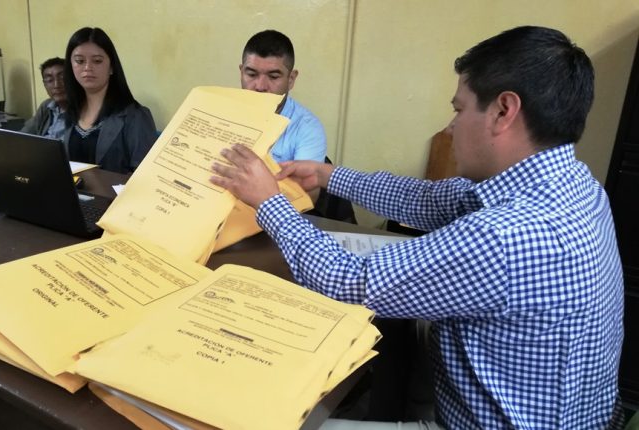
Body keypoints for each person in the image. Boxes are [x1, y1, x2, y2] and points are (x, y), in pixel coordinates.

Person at [211, 26, 624, 429]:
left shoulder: (506, 236)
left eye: (459, 109)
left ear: (503, 111)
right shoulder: (577, 186)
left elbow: (346, 280)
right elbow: (429, 200)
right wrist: (327, 175)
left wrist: (269, 202)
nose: (450, 127)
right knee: (396, 342)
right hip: (563, 410)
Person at [63, 27, 157, 174]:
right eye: (79, 61)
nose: (87, 68)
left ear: (112, 67)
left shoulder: (135, 116)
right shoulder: (71, 111)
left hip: (117, 190)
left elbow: (145, 175)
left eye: (97, 61)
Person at [240, 29, 326, 163]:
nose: (260, 87)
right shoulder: (220, 113)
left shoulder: (307, 128)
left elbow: (304, 178)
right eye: (251, 74)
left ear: (291, 79)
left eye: (273, 77)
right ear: (241, 72)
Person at [21, 57, 68, 140]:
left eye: (62, 78)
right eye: (50, 80)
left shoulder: (86, 111)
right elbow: (23, 135)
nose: (56, 85)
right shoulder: (46, 106)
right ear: (45, 84)